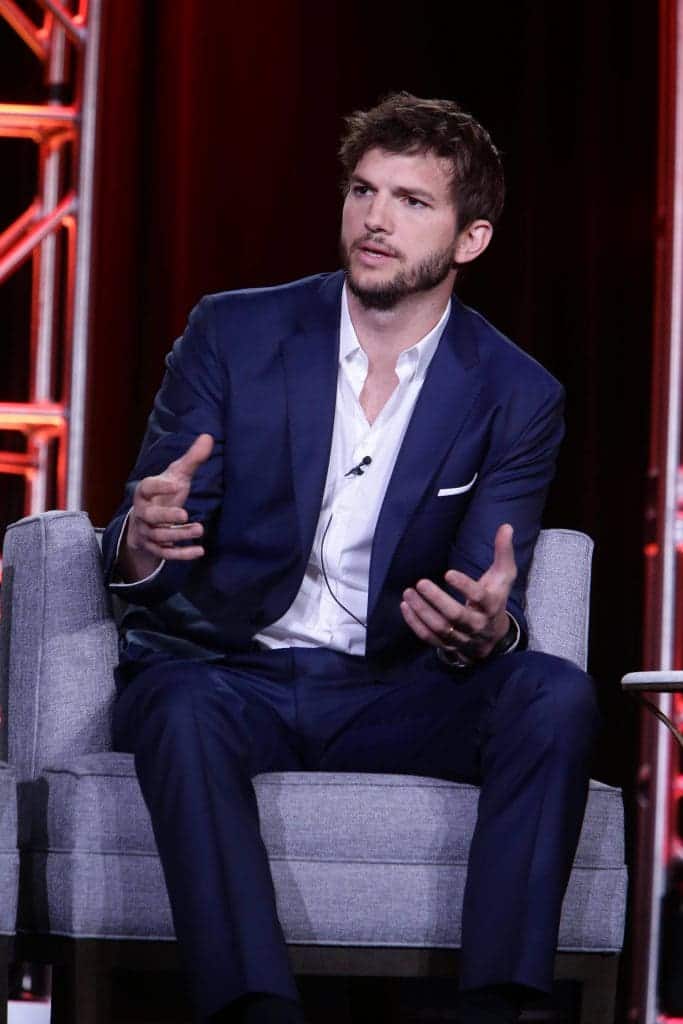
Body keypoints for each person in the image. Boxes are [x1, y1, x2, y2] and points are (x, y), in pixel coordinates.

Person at [102, 92, 600, 1024]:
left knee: (554, 692)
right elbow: (150, 522)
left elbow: (485, 583)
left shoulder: (516, 393)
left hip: (390, 690)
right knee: (172, 704)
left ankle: (496, 1008)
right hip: (230, 671)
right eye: (363, 190)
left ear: (470, 239)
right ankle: (254, 1009)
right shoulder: (234, 333)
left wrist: (484, 629)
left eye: (412, 201)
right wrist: (139, 535)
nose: (374, 219)